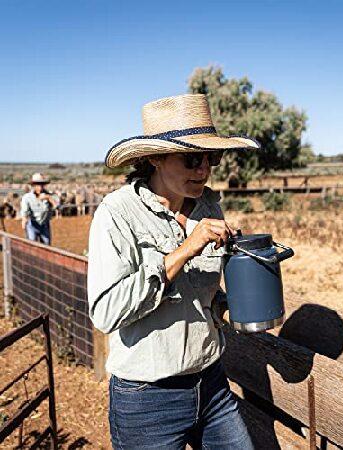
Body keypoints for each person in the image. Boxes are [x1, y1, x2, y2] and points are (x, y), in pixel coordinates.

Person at [88, 94, 260, 449]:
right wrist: (185, 249)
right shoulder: (117, 214)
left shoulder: (209, 206)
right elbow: (106, 312)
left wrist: (229, 305)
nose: (203, 170)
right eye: (192, 159)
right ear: (154, 158)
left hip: (212, 385)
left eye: (211, 158)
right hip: (148, 400)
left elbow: (200, 293)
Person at [20, 173, 55, 245]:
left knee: (47, 246)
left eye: (42, 184)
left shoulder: (49, 195)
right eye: (37, 184)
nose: (40, 187)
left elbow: (57, 206)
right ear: (33, 185)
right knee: (32, 245)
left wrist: (49, 198)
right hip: (32, 224)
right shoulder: (27, 197)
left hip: (44, 224)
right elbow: (24, 211)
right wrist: (24, 219)